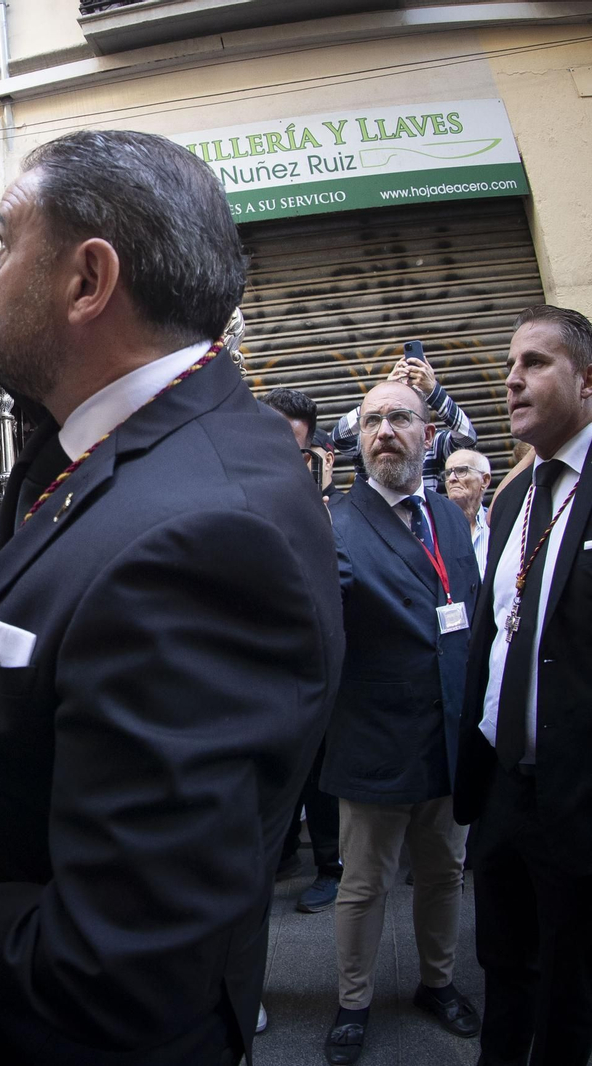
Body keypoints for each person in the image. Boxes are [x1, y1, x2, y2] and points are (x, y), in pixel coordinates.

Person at [0, 130, 345, 1065]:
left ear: (90, 283)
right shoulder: (168, 405)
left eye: (5, 241)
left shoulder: (199, 545)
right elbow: (17, 329)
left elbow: (109, 967)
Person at [319, 379, 484, 1063]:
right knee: (364, 884)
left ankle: (437, 982)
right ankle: (353, 1001)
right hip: (376, 741)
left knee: (445, 874)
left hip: (448, 740)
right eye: (371, 421)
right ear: (359, 439)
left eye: (400, 419)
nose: (384, 430)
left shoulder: (447, 516)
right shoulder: (333, 523)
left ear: (428, 435)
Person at [454, 304, 592, 1066]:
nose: (511, 380)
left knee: (567, 999)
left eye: (535, 363)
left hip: (579, 799)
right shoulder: (512, 497)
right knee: (502, 973)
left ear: (587, 380)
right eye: (510, 365)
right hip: (504, 791)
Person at [260, 389, 345, 910]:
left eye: (294, 451)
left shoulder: (329, 509)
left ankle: (331, 863)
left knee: (321, 768)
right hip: (263, 664)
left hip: (314, 662)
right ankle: (284, 848)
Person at [332, 356, 477, 495]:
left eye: (400, 416)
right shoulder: (371, 439)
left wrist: (434, 392)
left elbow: (467, 439)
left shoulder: (435, 443)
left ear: (427, 436)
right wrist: (384, 395)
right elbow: (340, 437)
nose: (385, 433)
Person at [443, 447, 493, 573]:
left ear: (485, 480)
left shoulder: (497, 527)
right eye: (448, 473)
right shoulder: (435, 528)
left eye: (461, 471)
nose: (452, 478)